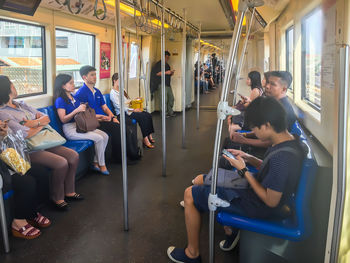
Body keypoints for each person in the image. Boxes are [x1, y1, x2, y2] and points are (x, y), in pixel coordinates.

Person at [167, 96, 305, 263]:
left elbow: (271, 201)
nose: (254, 132)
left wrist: (244, 170)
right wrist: (248, 157)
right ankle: (231, 232)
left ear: (267, 125)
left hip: (258, 205)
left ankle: (192, 254)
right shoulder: (287, 142)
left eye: (255, 128)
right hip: (257, 189)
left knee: (189, 194)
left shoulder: (282, 158)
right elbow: (271, 171)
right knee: (202, 180)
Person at [0, 75, 83, 211]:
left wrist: (30, 124)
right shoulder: (3, 113)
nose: (14, 86)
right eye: (12, 84)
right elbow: (25, 134)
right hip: (28, 149)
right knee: (61, 163)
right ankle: (57, 197)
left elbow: (46, 118)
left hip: (44, 141)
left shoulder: (21, 104)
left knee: (73, 156)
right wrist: (39, 124)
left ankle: (69, 191)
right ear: (6, 90)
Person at [0, 121, 51, 239]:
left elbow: (12, 144)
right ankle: (18, 222)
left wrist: (5, 133)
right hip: (2, 170)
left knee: (41, 173)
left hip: (9, 161)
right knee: (27, 182)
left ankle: (31, 212)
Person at [54, 74, 110, 175]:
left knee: (105, 136)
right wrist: (76, 110)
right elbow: (63, 119)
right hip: (70, 129)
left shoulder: (73, 97)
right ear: (63, 86)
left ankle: (96, 162)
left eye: (73, 82)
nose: (73, 84)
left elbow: (84, 114)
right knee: (99, 138)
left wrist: (99, 117)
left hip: (80, 125)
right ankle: (102, 165)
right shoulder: (60, 100)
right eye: (70, 83)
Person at [110, 73, 155, 149]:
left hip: (129, 110)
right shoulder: (113, 93)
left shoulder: (122, 89)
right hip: (122, 113)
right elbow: (119, 107)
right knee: (141, 117)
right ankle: (145, 138)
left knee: (148, 115)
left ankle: (149, 134)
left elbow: (127, 101)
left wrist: (134, 100)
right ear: (114, 81)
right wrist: (133, 110)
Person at [150, 51, 176, 117]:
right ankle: (164, 113)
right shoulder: (158, 64)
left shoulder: (167, 65)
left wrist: (171, 73)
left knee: (171, 98)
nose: (167, 59)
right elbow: (157, 73)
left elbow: (167, 74)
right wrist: (166, 72)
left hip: (167, 84)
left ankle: (170, 111)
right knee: (164, 100)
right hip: (161, 84)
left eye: (168, 58)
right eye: (166, 57)